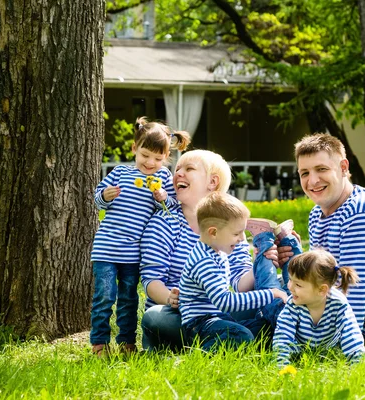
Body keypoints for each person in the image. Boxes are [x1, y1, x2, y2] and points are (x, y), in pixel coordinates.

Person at [140, 150, 281, 351]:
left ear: (212, 182)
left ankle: (229, 338)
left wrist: (259, 262)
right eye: (177, 168)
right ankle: (215, 341)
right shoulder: (165, 222)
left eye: (188, 168)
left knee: (271, 293)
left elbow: (241, 284)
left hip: (219, 311)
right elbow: (151, 280)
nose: (178, 173)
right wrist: (170, 298)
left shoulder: (231, 228)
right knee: (154, 316)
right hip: (178, 313)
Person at [279, 133, 365, 341]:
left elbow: (351, 298)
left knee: (271, 316)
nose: (312, 180)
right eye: (304, 173)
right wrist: (293, 261)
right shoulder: (317, 213)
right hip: (342, 313)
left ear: (343, 168)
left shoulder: (362, 214)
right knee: (272, 290)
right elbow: (321, 278)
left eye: (321, 169)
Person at [89, 117, 190, 356]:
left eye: (158, 158)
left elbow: (170, 209)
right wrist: (106, 195)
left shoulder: (164, 178)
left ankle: (126, 342)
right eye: (145, 155)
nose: (150, 162)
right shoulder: (120, 172)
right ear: (135, 149)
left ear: (166, 157)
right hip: (106, 250)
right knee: (104, 296)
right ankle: (99, 343)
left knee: (128, 298)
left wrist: (163, 199)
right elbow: (96, 198)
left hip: (133, 254)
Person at [179, 192, 289, 350]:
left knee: (264, 328)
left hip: (219, 319)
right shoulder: (204, 261)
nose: (241, 239)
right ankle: (202, 351)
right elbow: (226, 302)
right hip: (200, 325)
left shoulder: (217, 251)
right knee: (242, 336)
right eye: (236, 234)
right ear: (213, 232)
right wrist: (271, 294)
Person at [273, 249, 365, 367]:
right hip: (300, 350)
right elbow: (283, 335)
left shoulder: (338, 305)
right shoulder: (293, 304)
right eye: (290, 280)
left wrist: (359, 362)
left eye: (298, 284)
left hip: (329, 349)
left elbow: (351, 333)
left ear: (321, 290)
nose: (290, 287)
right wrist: (281, 364)